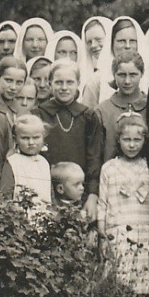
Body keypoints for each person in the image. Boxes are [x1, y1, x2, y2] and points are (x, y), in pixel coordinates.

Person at [96, 112, 149, 297]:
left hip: (145, 232)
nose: (132, 145)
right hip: (117, 233)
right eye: (126, 140)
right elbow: (102, 203)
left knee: (145, 284)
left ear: (144, 141)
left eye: (137, 140)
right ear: (119, 140)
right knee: (119, 283)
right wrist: (102, 235)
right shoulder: (109, 168)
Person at [38, 60, 103, 213]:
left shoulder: (88, 116)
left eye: (70, 82)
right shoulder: (39, 113)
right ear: (49, 83)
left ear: (78, 83)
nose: (64, 88)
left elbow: (94, 157)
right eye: (59, 82)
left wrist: (92, 195)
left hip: (80, 192)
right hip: (46, 191)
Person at [2, 113, 52, 204]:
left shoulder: (43, 162)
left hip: (44, 213)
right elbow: (6, 194)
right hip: (20, 213)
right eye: (25, 138)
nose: (31, 142)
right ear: (15, 139)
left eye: (36, 137)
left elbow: (49, 193)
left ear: (43, 137)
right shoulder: (13, 162)